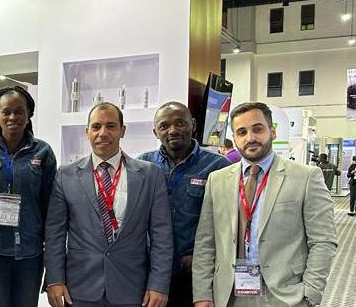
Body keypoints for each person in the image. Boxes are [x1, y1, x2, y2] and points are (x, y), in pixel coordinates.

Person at [192, 102, 337, 307]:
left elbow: (323, 240)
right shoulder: (217, 180)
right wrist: (202, 294)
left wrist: (310, 294)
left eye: (257, 129)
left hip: (285, 295)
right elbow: (205, 243)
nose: (250, 138)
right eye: (242, 132)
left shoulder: (306, 177)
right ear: (234, 138)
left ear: (273, 131)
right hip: (228, 294)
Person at [45, 103, 173, 307]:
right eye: (96, 127)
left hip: (133, 288)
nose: (103, 133)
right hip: (79, 288)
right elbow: (55, 234)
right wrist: (54, 279)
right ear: (87, 132)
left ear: (123, 130)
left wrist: (159, 285)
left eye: (111, 126)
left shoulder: (150, 175)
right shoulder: (65, 175)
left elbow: (162, 235)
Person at [0, 86, 57, 307]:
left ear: (29, 115)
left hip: (31, 252)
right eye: (6, 112)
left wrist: (53, 263)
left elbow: (51, 208)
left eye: (19, 111)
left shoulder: (43, 152)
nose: (13, 117)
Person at [138, 102, 231, 307]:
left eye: (180, 123)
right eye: (164, 126)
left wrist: (203, 258)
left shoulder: (218, 166)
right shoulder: (142, 165)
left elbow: (227, 223)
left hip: (195, 274)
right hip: (150, 272)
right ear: (155, 132)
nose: (172, 130)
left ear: (193, 125)